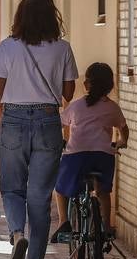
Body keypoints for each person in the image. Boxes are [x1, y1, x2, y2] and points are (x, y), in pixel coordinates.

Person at [0, 0, 77, 259]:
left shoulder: (7, 48)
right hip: (47, 120)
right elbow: (68, 95)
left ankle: (17, 235)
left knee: (13, 189)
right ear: (52, 16)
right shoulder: (63, 49)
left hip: (13, 121)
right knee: (40, 197)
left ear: (20, 17)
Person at [53, 63, 128, 241]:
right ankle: (107, 227)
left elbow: (60, 123)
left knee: (60, 187)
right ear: (110, 86)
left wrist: (59, 142)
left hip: (76, 156)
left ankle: (64, 222)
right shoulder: (112, 108)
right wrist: (122, 142)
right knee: (103, 191)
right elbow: (123, 128)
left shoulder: (77, 106)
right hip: (103, 156)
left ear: (87, 84)